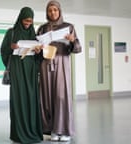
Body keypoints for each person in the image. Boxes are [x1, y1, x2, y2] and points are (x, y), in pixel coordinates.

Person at [36, 0, 82, 142]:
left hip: (61, 65)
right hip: (45, 65)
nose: (53, 12)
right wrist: (37, 48)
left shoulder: (68, 27)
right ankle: (53, 130)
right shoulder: (42, 28)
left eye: (55, 10)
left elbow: (77, 49)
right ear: (47, 12)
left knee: (61, 98)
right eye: (50, 10)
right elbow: (36, 49)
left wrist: (72, 40)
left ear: (59, 11)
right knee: (47, 98)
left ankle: (64, 130)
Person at [0, 7, 43, 144]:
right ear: (20, 19)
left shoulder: (33, 35)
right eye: (25, 20)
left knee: (31, 100)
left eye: (30, 21)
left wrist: (38, 52)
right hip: (17, 71)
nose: (28, 23)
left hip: (31, 72)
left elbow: (39, 58)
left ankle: (32, 131)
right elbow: (3, 51)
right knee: (18, 101)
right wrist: (10, 48)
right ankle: (18, 134)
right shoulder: (11, 33)